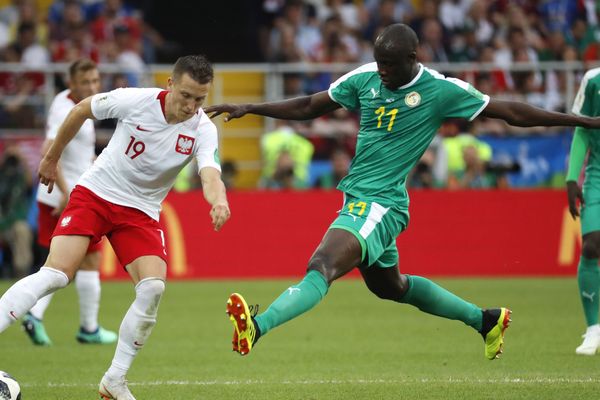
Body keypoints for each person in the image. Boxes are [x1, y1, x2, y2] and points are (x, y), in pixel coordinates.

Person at [206, 23, 600, 361]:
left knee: (322, 265)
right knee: (390, 287)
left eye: (390, 65)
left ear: (414, 56)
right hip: (361, 199)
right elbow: (311, 105)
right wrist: (251, 108)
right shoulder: (365, 78)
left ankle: (256, 328)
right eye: (379, 63)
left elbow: (511, 112)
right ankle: (486, 320)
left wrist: (581, 121)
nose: (382, 72)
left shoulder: (440, 90)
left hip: (380, 204)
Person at [0, 55, 230, 400]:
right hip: (96, 194)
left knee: (153, 288)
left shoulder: (203, 128)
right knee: (57, 274)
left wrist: (219, 201)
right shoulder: (136, 100)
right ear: (170, 84)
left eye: (200, 99)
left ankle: (114, 381)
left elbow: (210, 172)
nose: (191, 106)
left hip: (140, 212)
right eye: (186, 95)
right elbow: (81, 110)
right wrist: (51, 158)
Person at [21, 59, 118, 347]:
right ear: (71, 83)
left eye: (95, 81)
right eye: (86, 82)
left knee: (78, 261)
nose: (92, 87)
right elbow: (48, 149)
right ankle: (44, 317)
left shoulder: (77, 105)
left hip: (70, 194)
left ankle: (86, 327)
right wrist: (65, 194)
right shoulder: (65, 109)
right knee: (66, 264)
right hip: (63, 198)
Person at [567, 67, 600, 356]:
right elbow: (582, 130)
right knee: (591, 245)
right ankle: (593, 329)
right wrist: (570, 177)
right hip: (598, 175)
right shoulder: (593, 80)